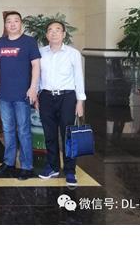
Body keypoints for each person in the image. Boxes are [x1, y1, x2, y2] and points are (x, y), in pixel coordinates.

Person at [37, 21, 86, 186]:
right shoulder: (40, 53)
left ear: (64, 34)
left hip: (67, 97)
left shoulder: (73, 53)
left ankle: (70, 170)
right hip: (46, 97)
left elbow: (78, 77)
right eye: (50, 30)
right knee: (49, 134)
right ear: (46, 35)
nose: (54, 33)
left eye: (58, 30)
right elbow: (37, 75)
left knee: (68, 134)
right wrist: (37, 95)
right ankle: (52, 166)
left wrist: (80, 101)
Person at [0, 11, 41, 180]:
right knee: (7, 130)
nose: (12, 24)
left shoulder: (29, 42)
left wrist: (33, 88)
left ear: (21, 24)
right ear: (5, 24)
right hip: (5, 94)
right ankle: (9, 162)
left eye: (16, 21)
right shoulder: (1, 42)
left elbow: (36, 65)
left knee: (24, 131)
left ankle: (27, 166)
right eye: (9, 21)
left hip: (22, 94)